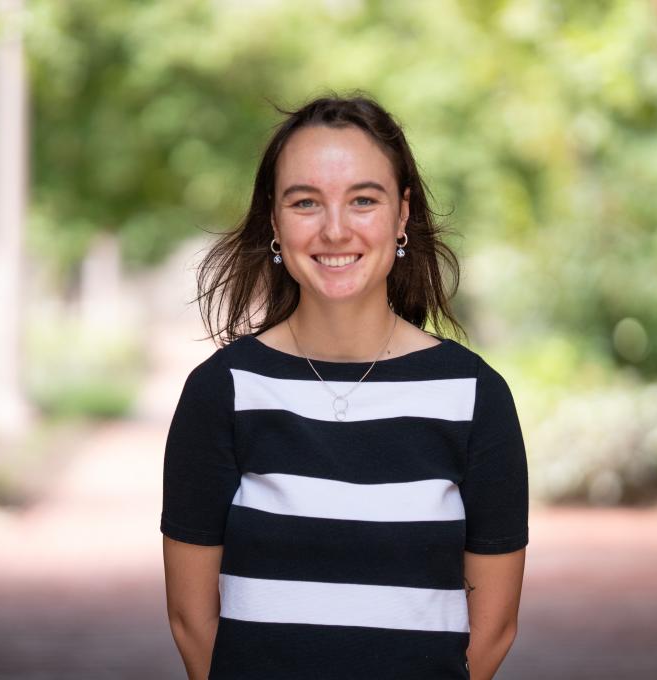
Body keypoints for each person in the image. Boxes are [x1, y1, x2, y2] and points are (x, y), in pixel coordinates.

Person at [160, 92, 529, 680]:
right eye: (306, 202)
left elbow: (491, 631)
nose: (335, 229)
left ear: (402, 214)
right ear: (275, 221)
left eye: (363, 200)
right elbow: (191, 622)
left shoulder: (474, 395)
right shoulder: (222, 392)